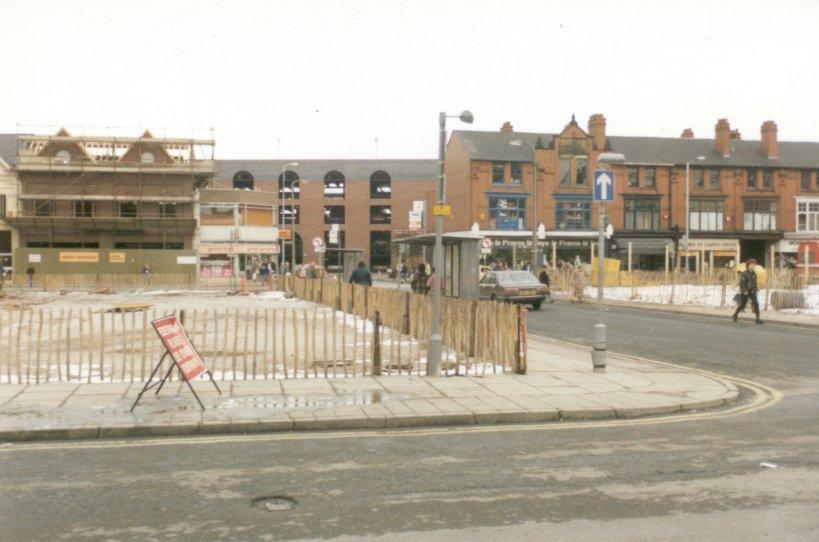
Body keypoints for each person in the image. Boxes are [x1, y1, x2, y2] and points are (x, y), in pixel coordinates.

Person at [733, 259, 763, 324]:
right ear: (748, 266)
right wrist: (744, 291)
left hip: (752, 291)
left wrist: (756, 288)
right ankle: (735, 315)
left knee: (756, 303)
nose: (753, 266)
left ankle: (758, 318)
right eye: (751, 265)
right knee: (743, 305)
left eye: (754, 265)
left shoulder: (754, 274)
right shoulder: (744, 273)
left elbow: (754, 282)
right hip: (745, 291)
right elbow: (741, 283)